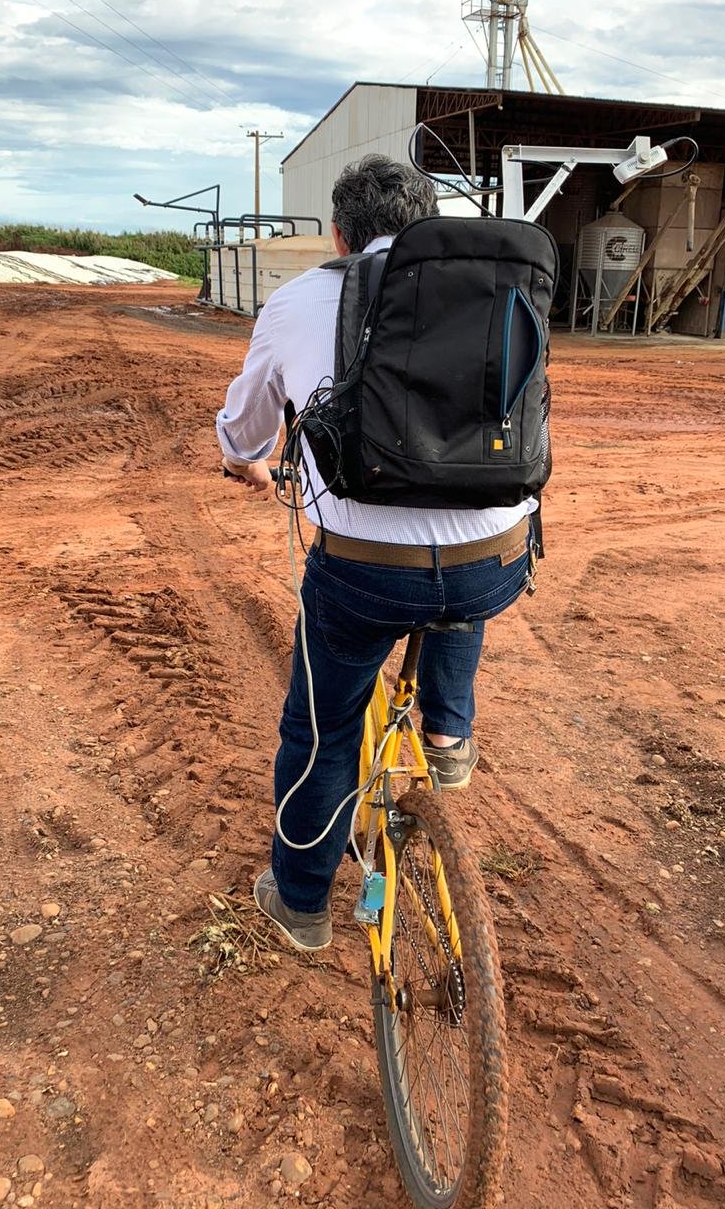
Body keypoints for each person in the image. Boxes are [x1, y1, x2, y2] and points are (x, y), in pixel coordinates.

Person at [216, 154, 536, 952]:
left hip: (362, 571)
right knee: (463, 583)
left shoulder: (297, 300)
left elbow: (245, 429)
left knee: (321, 731)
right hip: (499, 552)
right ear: (430, 223)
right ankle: (450, 732)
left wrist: (242, 459)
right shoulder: (503, 289)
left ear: (338, 233)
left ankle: (300, 902)